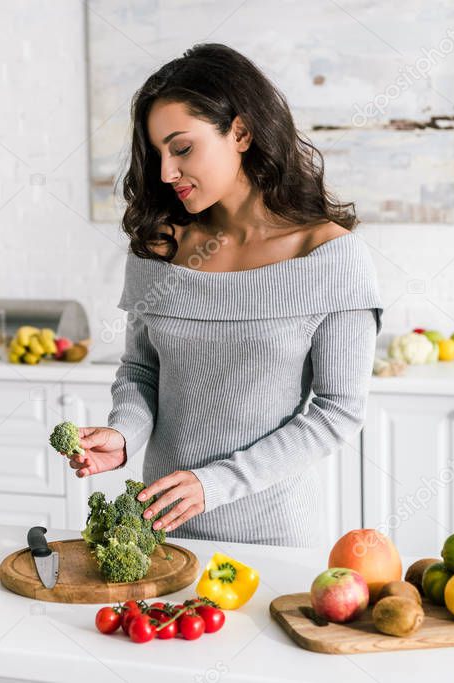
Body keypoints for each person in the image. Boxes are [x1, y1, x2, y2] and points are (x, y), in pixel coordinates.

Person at [67, 43, 382, 547]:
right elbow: (142, 371)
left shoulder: (330, 259)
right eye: (159, 154)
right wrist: (123, 435)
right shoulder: (161, 247)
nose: (167, 172)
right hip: (160, 532)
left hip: (271, 537)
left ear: (240, 132)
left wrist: (213, 485)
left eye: (182, 148)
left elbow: (336, 413)